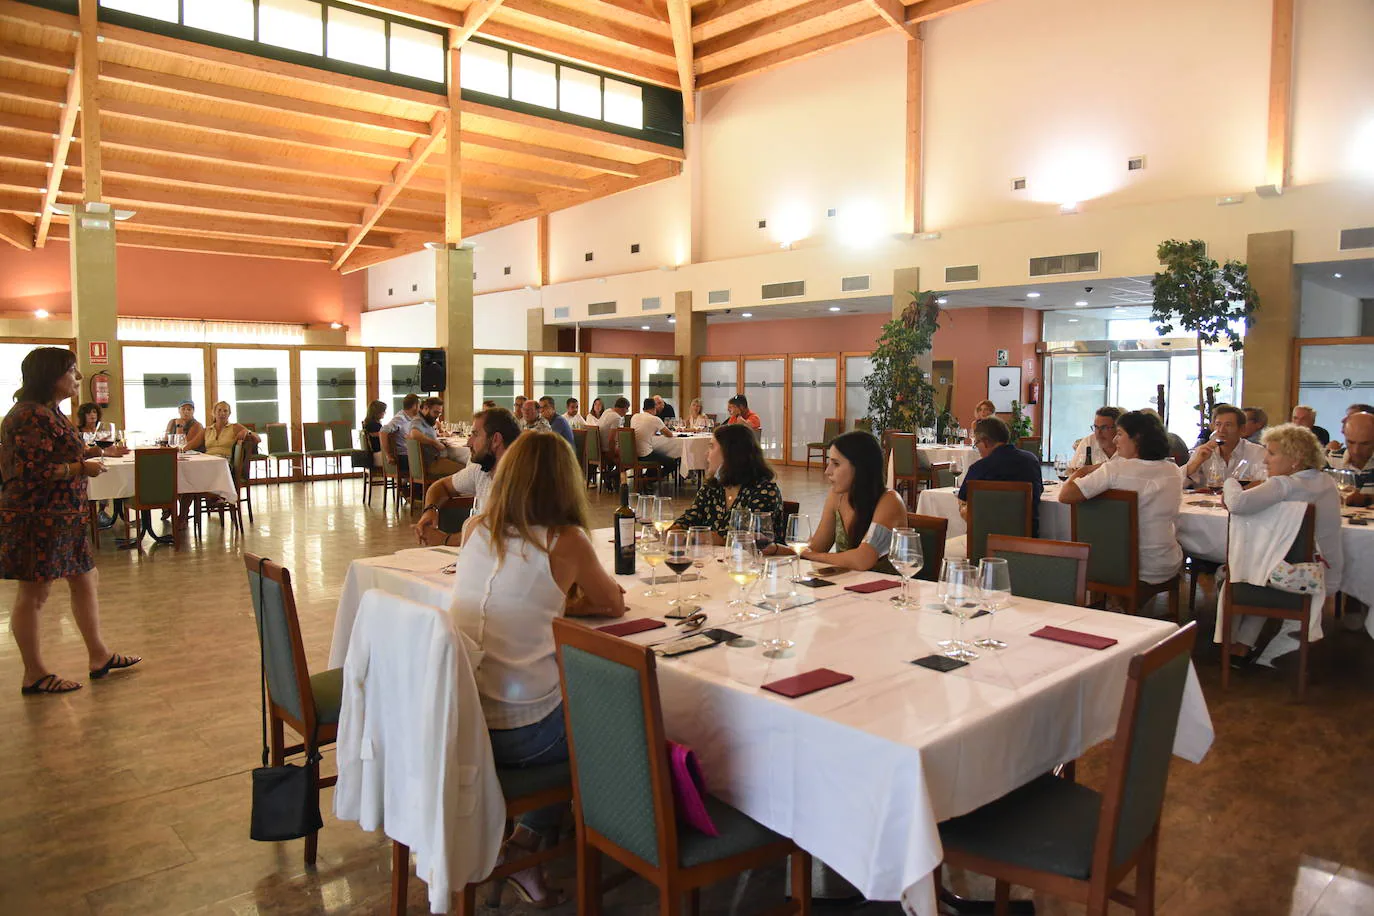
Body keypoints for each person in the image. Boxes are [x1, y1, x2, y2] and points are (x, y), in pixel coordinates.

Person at [450, 431, 626, 907]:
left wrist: (553, 610)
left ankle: (527, 842)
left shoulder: (476, 529)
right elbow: (612, 603)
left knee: (570, 708)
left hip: (462, 716)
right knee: (610, 724)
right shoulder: (564, 541)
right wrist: (569, 609)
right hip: (521, 733)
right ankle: (621, 840)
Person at [1, 347, 138, 695]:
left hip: (64, 517)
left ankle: (99, 655)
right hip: (37, 518)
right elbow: (32, 472)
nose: (78, 377)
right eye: (73, 371)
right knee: (35, 593)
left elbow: (61, 451)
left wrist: (98, 452)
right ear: (51, 375)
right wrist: (82, 468)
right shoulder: (28, 417)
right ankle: (35, 673)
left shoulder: (52, 412)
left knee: (86, 578)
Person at [1222, 424, 1343, 668]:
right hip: (1323, 574)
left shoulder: (1284, 485)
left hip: (1293, 579)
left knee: (1236, 571)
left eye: (1272, 453)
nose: (1265, 460)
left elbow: (1237, 504)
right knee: (1264, 563)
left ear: (1296, 459)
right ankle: (1243, 645)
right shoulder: (1326, 481)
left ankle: (1231, 643)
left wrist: (1230, 482)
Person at [1059, 411, 1183, 584]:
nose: (1115, 440)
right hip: (1167, 562)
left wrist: (1082, 471)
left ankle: (1113, 601)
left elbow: (1065, 495)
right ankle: (1121, 602)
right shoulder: (1174, 470)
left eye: (1119, 434)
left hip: (1128, 566)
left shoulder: (1115, 470)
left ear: (1137, 438)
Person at [799, 431, 905, 573]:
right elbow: (815, 548)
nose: (827, 471)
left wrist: (814, 556)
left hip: (885, 590)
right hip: (848, 587)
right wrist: (774, 548)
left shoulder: (890, 501)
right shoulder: (837, 496)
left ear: (860, 467)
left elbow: (862, 560)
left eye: (836, 464)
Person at [414, 407, 521, 544]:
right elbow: (441, 486)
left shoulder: (519, 480)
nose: (469, 442)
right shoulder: (481, 470)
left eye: (475, 434)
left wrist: (444, 540)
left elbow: (495, 536)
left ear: (495, 440)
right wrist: (430, 510)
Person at [672, 423, 783, 542]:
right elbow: (690, 518)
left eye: (711, 447)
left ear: (730, 453)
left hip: (754, 560)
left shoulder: (763, 491)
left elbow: (742, 539)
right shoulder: (712, 487)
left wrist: (690, 536)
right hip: (715, 558)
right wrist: (672, 531)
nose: (706, 453)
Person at [957, 417, 1044, 535]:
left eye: (977, 443)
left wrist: (963, 508)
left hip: (985, 544)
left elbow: (964, 501)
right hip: (1027, 541)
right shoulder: (1031, 460)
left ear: (986, 442)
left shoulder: (979, 468)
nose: (977, 448)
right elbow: (1039, 491)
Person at [1184, 404, 1266, 487]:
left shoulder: (1256, 452)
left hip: (1243, 499)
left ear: (1242, 429)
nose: (1221, 430)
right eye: (1218, 424)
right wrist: (1196, 462)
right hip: (1207, 499)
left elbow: (1265, 482)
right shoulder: (1203, 451)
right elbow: (1179, 484)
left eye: (1228, 425)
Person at [407, 396, 461, 476]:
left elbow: (426, 435)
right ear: (425, 408)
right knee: (466, 470)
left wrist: (439, 439)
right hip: (431, 464)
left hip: (433, 461)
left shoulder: (425, 421)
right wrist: (435, 443)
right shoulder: (418, 420)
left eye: (439, 413)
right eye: (435, 412)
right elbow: (414, 434)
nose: (437, 416)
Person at [630, 397, 676, 462]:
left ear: (643, 409)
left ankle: (649, 473)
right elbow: (669, 434)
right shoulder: (655, 419)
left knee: (657, 453)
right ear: (655, 408)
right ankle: (657, 472)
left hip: (633, 454)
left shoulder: (634, 416)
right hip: (645, 454)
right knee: (672, 462)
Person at [382, 393, 420, 460]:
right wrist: (388, 454)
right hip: (404, 456)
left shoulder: (410, 418)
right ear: (415, 406)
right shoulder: (400, 418)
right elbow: (383, 431)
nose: (420, 408)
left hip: (411, 454)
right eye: (420, 406)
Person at [597, 397, 630, 463]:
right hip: (606, 449)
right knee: (630, 452)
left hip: (599, 446)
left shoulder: (607, 411)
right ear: (623, 408)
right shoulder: (616, 418)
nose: (627, 411)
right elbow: (611, 439)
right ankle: (617, 472)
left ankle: (615, 471)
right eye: (627, 409)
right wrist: (611, 458)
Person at [362, 400, 387, 464]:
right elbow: (382, 435)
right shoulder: (373, 425)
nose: (385, 413)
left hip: (375, 452)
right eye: (383, 411)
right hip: (378, 452)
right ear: (377, 412)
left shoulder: (368, 423)